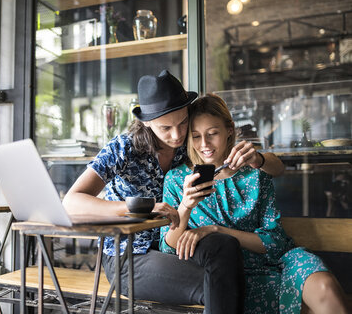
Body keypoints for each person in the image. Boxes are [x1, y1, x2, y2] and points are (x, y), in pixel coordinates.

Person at [63, 70, 285, 313]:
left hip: (173, 246)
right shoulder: (123, 148)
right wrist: (136, 207)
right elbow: (72, 202)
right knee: (226, 284)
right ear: (146, 122)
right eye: (165, 128)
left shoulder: (187, 146)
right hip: (130, 256)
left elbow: (276, 167)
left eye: (182, 123)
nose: (177, 135)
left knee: (224, 246)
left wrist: (258, 158)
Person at [160, 93, 349, 314]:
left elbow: (274, 241)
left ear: (229, 129)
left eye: (212, 133)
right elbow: (169, 246)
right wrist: (186, 206)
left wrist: (216, 229)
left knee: (326, 288)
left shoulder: (254, 173)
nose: (205, 145)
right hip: (233, 274)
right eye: (195, 136)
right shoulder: (177, 180)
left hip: (280, 261)